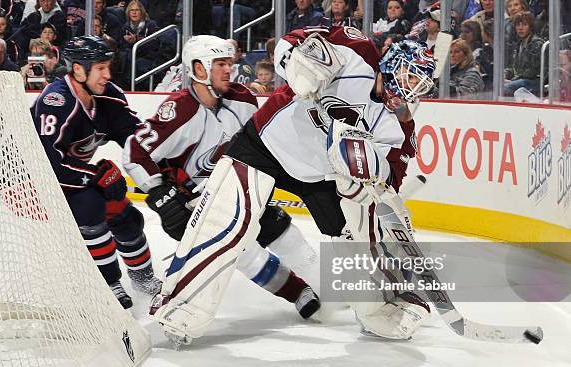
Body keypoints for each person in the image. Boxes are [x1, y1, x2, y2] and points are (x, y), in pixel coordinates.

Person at [147, 27, 436, 345]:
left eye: (418, 85)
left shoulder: (400, 126)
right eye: (410, 78)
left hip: (320, 173)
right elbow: (290, 41)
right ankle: (181, 306)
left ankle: (380, 309)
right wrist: (301, 63)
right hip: (266, 144)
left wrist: (372, 178)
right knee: (224, 217)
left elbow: (390, 180)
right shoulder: (358, 49)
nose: (412, 90)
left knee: (356, 233)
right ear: (393, 64)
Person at [123, 35, 321, 320]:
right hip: (196, 207)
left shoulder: (242, 100)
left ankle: (338, 295)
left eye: (229, 63)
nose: (229, 69)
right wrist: (160, 196)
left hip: (242, 191)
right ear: (199, 69)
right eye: (220, 64)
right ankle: (298, 292)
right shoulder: (178, 110)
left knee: (289, 238)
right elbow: (134, 153)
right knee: (246, 253)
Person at [30, 36, 162, 308]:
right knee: (91, 206)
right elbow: (47, 162)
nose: (107, 74)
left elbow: (133, 136)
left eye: (107, 66)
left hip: (69, 173)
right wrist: (94, 176)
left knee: (126, 215)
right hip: (31, 178)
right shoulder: (56, 101)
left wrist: (165, 169)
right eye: (100, 68)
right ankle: (109, 283)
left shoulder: (109, 95)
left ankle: (145, 281)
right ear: (78, 69)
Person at [503, 11, 545, 97]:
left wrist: (513, 80)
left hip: (535, 81)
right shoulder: (518, 44)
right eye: (518, 25)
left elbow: (533, 71)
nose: (520, 28)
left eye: (524, 25)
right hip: (520, 80)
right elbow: (513, 67)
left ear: (531, 27)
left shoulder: (537, 44)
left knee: (507, 87)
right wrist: (505, 74)